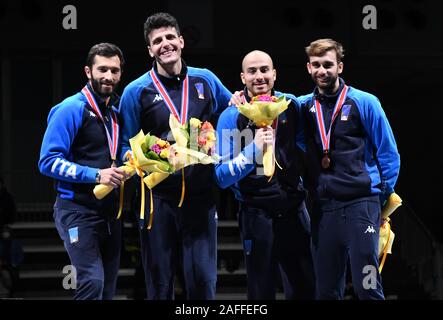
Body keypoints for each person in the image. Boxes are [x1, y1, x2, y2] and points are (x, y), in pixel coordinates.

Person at [118, 12, 232, 300]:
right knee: (159, 283)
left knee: (203, 283)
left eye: (170, 37)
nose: (165, 44)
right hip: (157, 202)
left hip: (200, 198)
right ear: (150, 50)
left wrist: (221, 149)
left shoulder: (206, 80)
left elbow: (231, 117)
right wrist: (149, 156)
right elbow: (124, 146)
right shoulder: (135, 91)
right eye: (157, 41)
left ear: (181, 41)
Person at [298, 39, 400, 299]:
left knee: (367, 284)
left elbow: (388, 154)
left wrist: (379, 200)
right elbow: (272, 101)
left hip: (361, 206)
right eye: (317, 65)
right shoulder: (303, 107)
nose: (323, 71)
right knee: (326, 289)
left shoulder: (365, 102)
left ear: (340, 67)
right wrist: (240, 96)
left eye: (328, 65)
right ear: (309, 68)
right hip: (324, 209)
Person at [215, 50, 315, 300]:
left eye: (264, 70)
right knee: (261, 291)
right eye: (252, 71)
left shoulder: (291, 105)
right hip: (255, 213)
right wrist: (253, 150)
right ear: (242, 77)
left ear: (274, 74)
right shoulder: (231, 116)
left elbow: (308, 140)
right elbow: (221, 176)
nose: (259, 76)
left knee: (306, 288)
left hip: (294, 210)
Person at [38, 43, 128, 300]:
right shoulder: (71, 108)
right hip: (76, 210)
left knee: (108, 290)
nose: (108, 76)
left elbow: (115, 149)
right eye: (102, 69)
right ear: (88, 71)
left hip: (110, 213)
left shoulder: (114, 111)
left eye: (114, 70)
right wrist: (96, 175)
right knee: (92, 283)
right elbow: (48, 161)